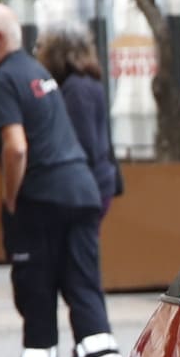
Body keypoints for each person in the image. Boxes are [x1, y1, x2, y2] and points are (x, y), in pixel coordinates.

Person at [0, 4, 115, 357]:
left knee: (36, 289)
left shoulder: (4, 80)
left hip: (42, 197)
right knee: (81, 284)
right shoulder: (37, 71)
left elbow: (15, 147)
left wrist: (12, 199)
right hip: (80, 192)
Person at [39, 29, 123, 221]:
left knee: (79, 248)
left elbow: (84, 142)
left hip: (86, 189)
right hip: (94, 184)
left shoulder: (77, 89)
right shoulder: (85, 83)